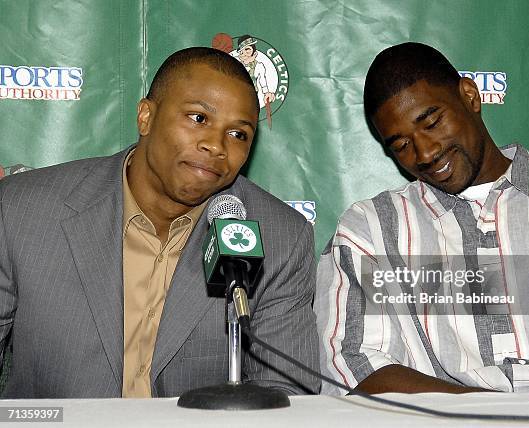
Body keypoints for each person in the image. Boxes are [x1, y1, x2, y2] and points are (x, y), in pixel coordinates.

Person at [0, 47, 319, 398]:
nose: (216, 145)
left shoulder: (281, 239)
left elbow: (287, 395)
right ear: (145, 117)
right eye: (199, 118)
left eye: (238, 134)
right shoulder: (22, 210)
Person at [315, 42, 529, 394]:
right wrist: (487, 415)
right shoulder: (370, 231)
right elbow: (353, 368)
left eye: (431, 122)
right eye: (401, 145)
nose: (424, 152)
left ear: (470, 96)